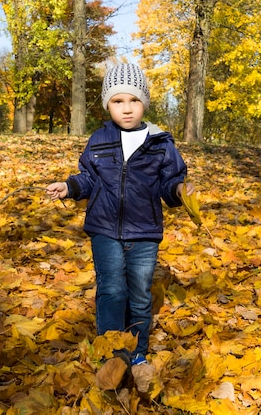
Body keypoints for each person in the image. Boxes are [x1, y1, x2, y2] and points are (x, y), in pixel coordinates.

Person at [46, 63, 195, 389]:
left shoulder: (160, 144)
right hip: (104, 229)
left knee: (140, 293)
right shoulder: (99, 140)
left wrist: (180, 191)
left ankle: (137, 353)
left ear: (144, 103)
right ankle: (112, 354)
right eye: (118, 101)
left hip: (144, 232)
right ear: (107, 104)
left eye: (133, 100)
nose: (126, 108)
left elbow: (169, 183)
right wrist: (69, 187)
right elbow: (87, 178)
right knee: (112, 290)